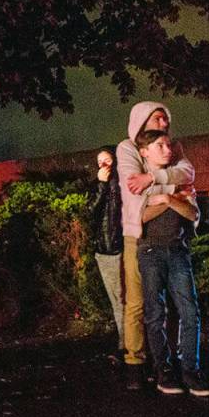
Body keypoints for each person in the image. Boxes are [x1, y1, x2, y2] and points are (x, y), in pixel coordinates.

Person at [116, 101, 194, 390]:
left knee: (172, 303)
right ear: (141, 121)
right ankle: (135, 363)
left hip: (171, 236)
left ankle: (167, 361)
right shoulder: (127, 148)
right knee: (138, 302)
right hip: (137, 234)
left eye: (166, 120)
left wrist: (153, 179)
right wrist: (173, 192)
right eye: (157, 118)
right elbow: (134, 195)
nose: (164, 124)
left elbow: (188, 173)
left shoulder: (175, 148)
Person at [136, 130, 209, 396]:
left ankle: (191, 370)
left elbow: (192, 213)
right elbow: (140, 217)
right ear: (145, 151)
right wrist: (174, 196)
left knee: (189, 311)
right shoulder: (138, 178)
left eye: (169, 145)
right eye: (160, 145)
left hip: (178, 250)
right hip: (149, 251)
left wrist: (167, 198)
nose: (168, 150)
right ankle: (164, 371)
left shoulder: (179, 173)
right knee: (155, 314)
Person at [89, 149, 124, 352]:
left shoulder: (123, 182)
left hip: (124, 246)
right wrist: (100, 185)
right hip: (106, 249)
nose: (103, 165)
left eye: (107, 160)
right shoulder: (97, 185)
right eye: (99, 162)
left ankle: (132, 347)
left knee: (129, 300)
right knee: (117, 300)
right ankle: (126, 345)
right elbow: (90, 211)